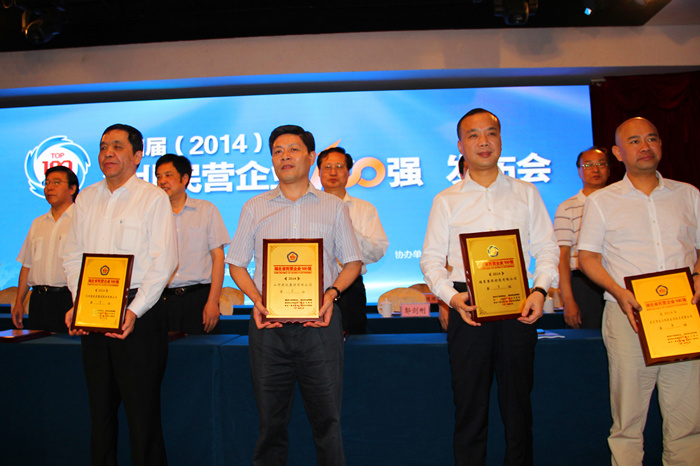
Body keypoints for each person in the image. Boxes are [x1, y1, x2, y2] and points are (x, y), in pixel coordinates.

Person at [420, 108, 559, 465]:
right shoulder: (446, 200)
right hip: (468, 309)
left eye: (491, 133)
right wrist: (452, 298)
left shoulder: (526, 193)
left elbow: (547, 249)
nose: (484, 142)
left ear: (500, 140)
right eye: (473, 135)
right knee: (469, 406)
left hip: (518, 307)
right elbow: (431, 260)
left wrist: (540, 291)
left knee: (518, 407)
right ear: (460, 146)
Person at [226, 125, 362, 465]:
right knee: (270, 423)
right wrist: (257, 300)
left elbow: (352, 262)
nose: (285, 156)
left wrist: (331, 294)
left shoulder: (333, 207)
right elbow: (237, 265)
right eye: (278, 151)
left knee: (328, 421)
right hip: (268, 329)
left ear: (311, 156)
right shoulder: (255, 206)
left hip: (320, 326)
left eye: (293, 149)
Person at [578, 117, 700, 465]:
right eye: (634, 141)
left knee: (688, 418)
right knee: (628, 420)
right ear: (618, 153)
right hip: (628, 315)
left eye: (652, 139)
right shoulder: (603, 201)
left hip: (682, 317)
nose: (645, 147)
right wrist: (618, 291)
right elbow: (587, 258)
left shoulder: (688, 194)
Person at [63, 124, 178, 466]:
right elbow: (72, 255)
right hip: (94, 311)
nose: (107, 153)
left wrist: (134, 310)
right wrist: (79, 301)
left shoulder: (152, 197)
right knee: (99, 411)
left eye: (117, 146)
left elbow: (164, 261)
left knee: (142, 414)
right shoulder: (86, 198)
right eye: (103, 146)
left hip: (138, 315)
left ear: (137, 155)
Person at [317, 146, 389, 334]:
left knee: (354, 345)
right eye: (327, 167)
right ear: (319, 172)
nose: (333, 172)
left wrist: (346, 226)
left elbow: (377, 251)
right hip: (313, 286)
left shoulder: (365, 209)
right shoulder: (306, 208)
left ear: (349, 173)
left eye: (340, 167)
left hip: (350, 289)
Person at [155, 153, 230, 334]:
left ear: (185, 178)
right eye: (158, 176)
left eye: (168, 175)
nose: (162, 181)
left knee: (201, 349)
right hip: (162, 299)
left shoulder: (206, 210)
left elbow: (218, 258)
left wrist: (213, 302)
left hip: (199, 298)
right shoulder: (153, 214)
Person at [13, 165, 79, 332]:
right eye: (47, 183)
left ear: (72, 189)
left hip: (68, 299)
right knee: (38, 346)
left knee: (66, 347)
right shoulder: (38, 223)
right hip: (38, 300)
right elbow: (27, 266)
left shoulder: (81, 221)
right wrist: (19, 301)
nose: (49, 187)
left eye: (56, 182)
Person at [553, 147, 609, 328]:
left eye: (601, 164)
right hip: (584, 285)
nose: (595, 169)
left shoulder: (620, 204)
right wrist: (568, 300)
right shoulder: (566, 208)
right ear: (579, 171)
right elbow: (563, 257)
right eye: (588, 165)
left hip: (617, 278)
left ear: (609, 169)